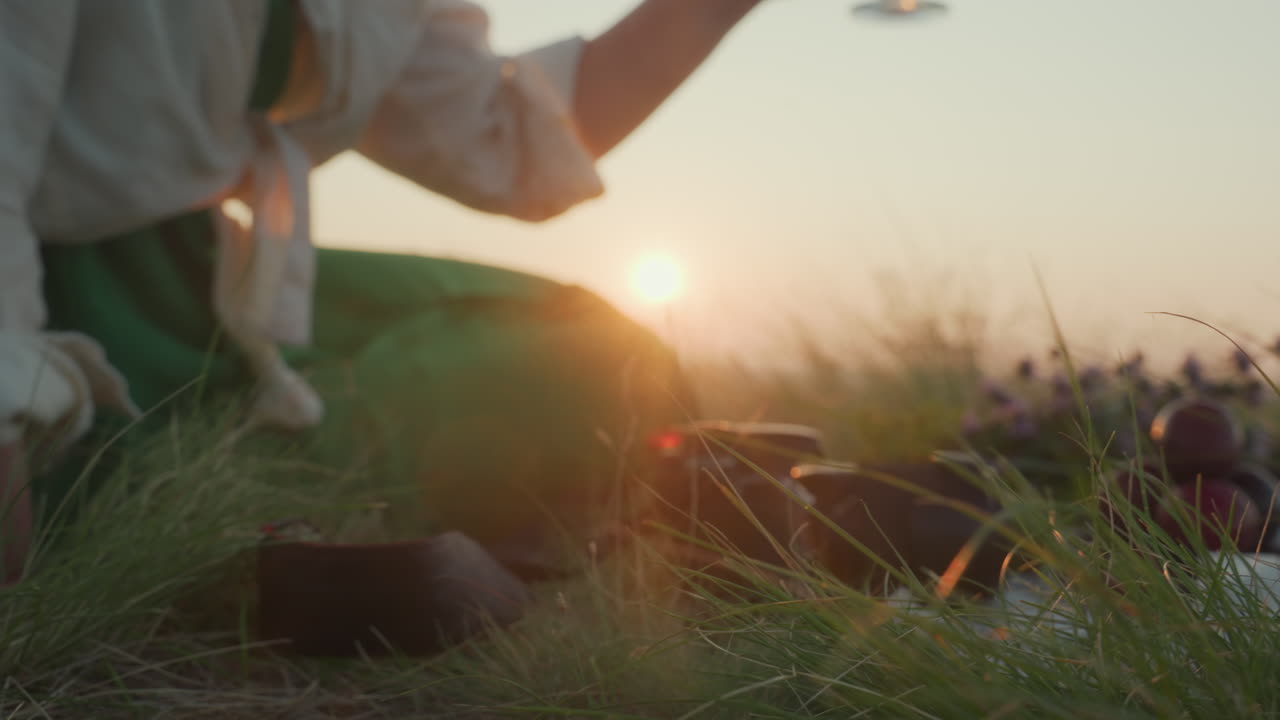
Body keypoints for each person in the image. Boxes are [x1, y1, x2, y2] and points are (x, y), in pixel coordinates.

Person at [0, 0, 766, 586]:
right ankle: (175, 502)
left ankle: (269, 491)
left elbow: (499, 139)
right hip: (44, 301)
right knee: (124, 490)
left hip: (205, 277)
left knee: (608, 360)